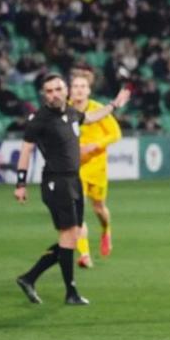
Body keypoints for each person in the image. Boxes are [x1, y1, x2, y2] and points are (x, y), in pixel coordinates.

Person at [13, 73, 130, 305]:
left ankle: (29, 278)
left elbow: (92, 117)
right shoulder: (39, 120)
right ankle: (70, 292)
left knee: (74, 237)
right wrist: (21, 183)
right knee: (68, 236)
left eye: (58, 89)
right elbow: (26, 150)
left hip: (73, 180)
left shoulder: (71, 112)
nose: (54, 94)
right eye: (49, 91)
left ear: (65, 90)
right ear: (44, 94)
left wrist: (114, 105)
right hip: (56, 182)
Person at [70, 68, 122, 268]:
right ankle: (85, 255)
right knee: (77, 212)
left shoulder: (98, 110)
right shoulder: (65, 111)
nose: (79, 90)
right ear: (70, 90)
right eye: (75, 86)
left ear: (89, 90)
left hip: (97, 168)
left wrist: (95, 145)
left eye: (83, 86)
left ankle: (106, 230)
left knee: (99, 209)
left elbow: (116, 134)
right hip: (75, 169)